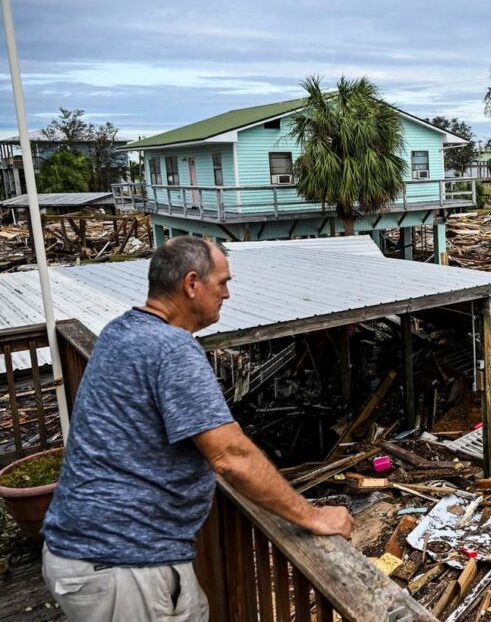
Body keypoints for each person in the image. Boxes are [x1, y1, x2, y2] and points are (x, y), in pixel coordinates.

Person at [42, 237, 352, 621]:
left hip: (93, 552)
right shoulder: (171, 348)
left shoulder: (120, 331)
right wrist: (312, 515)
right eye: (222, 282)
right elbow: (229, 455)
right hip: (123, 561)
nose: (227, 293)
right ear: (191, 284)